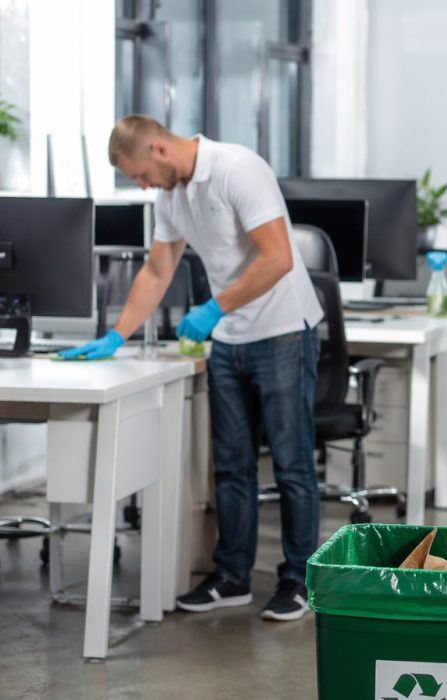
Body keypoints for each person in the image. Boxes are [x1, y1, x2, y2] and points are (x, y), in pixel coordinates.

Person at [60, 115, 325, 622]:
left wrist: (212, 309)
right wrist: (118, 334)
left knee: (291, 466)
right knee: (230, 467)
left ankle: (298, 580)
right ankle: (232, 577)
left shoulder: (237, 169)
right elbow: (158, 269)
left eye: (139, 173)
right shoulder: (170, 197)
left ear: (158, 149)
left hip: (284, 329)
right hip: (229, 339)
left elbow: (277, 259)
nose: (140, 185)